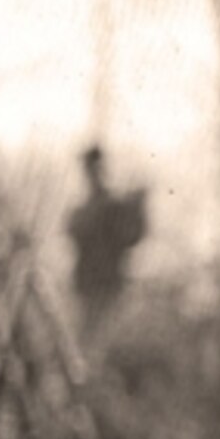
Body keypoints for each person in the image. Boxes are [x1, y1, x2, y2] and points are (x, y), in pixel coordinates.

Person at [66, 143, 149, 344]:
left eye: (95, 168)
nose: (91, 174)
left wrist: (138, 209)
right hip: (88, 284)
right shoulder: (85, 209)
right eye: (89, 169)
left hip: (108, 285)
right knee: (85, 341)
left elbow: (133, 236)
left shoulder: (114, 205)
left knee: (100, 343)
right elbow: (73, 232)